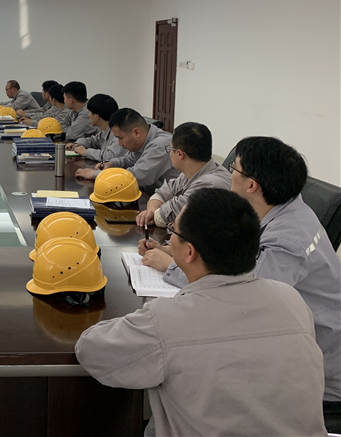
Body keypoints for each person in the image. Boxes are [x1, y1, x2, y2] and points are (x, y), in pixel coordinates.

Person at [77, 189, 327, 437]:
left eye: (174, 232)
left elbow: (91, 350)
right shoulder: (292, 300)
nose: (170, 239)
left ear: (189, 252)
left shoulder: (167, 321)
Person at [146, 137, 341, 414]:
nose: (230, 175)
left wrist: (173, 266)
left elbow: (239, 293)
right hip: (288, 341)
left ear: (251, 185)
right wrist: (177, 249)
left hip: (318, 372)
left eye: (234, 169)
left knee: (188, 371)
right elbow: (238, 258)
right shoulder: (286, 209)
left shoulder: (286, 241)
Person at [134, 122, 230, 227]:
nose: (170, 153)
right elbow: (160, 194)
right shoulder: (193, 171)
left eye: (170, 149)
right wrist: (151, 213)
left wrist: (153, 215)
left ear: (180, 154)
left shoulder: (209, 185)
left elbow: (166, 216)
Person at [76, 108, 178, 191]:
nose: (119, 144)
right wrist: (111, 164)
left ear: (137, 133)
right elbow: (128, 160)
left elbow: (136, 176)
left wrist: (96, 174)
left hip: (168, 203)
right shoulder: (144, 140)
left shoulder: (160, 145)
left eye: (120, 138)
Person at [66, 93, 126, 162]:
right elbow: (93, 141)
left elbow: (110, 156)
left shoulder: (117, 134)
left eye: (90, 112)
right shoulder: (104, 131)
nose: (89, 115)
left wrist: (86, 152)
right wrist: (77, 144)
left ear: (97, 116)